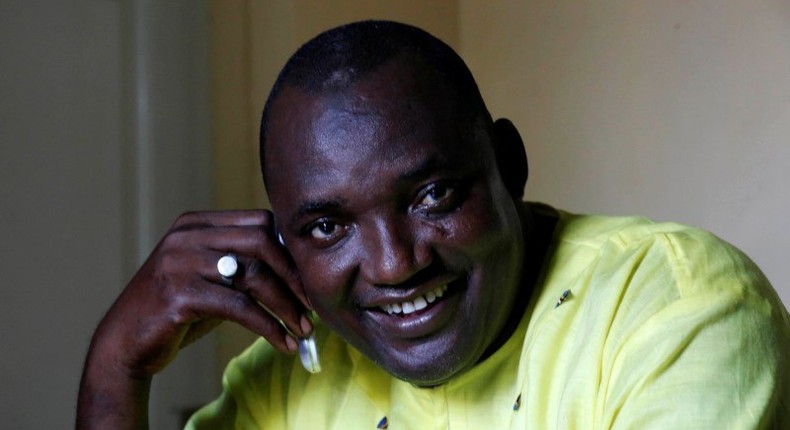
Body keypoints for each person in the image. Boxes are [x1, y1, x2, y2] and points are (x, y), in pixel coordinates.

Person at [77, 20, 790, 429]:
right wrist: (115, 369)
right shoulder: (287, 381)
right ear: (284, 244)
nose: (393, 265)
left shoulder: (673, 304)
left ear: (508, 166)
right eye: (328, 227)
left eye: (433, 195)